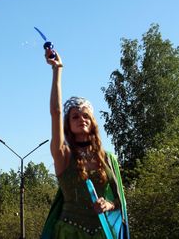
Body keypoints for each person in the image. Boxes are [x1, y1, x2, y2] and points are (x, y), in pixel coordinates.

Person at [41, 49, 130, 239]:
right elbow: (55, 112)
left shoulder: (108, 159)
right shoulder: (63, 155)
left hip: (102, 233)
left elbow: (120, 201)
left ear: (92, 122)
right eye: (75, 116)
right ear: (68, 124)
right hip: (69, 232)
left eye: (86, 116)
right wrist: (57, 70)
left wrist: (109, 205)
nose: (81, 119)